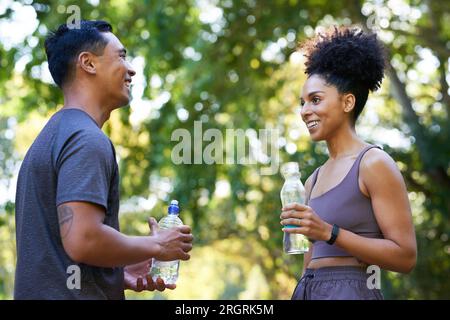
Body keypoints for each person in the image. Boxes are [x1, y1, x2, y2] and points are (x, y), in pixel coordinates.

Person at [14, 20, 193, 299]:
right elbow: (83, 239)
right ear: (88, 63)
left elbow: (61, 254)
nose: (131, 68)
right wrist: (157, 245)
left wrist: (114, 273)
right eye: (121, 56)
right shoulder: (86, 139)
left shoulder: (52, 136)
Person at [280, 27, 417, 300]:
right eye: (302, 103)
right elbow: (310, 261)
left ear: (347, 102)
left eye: (315, 100)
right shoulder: (312, 180)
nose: (305, 111)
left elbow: (405, 256)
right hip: (310, 290)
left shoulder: (373, 163)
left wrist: (329, 232)